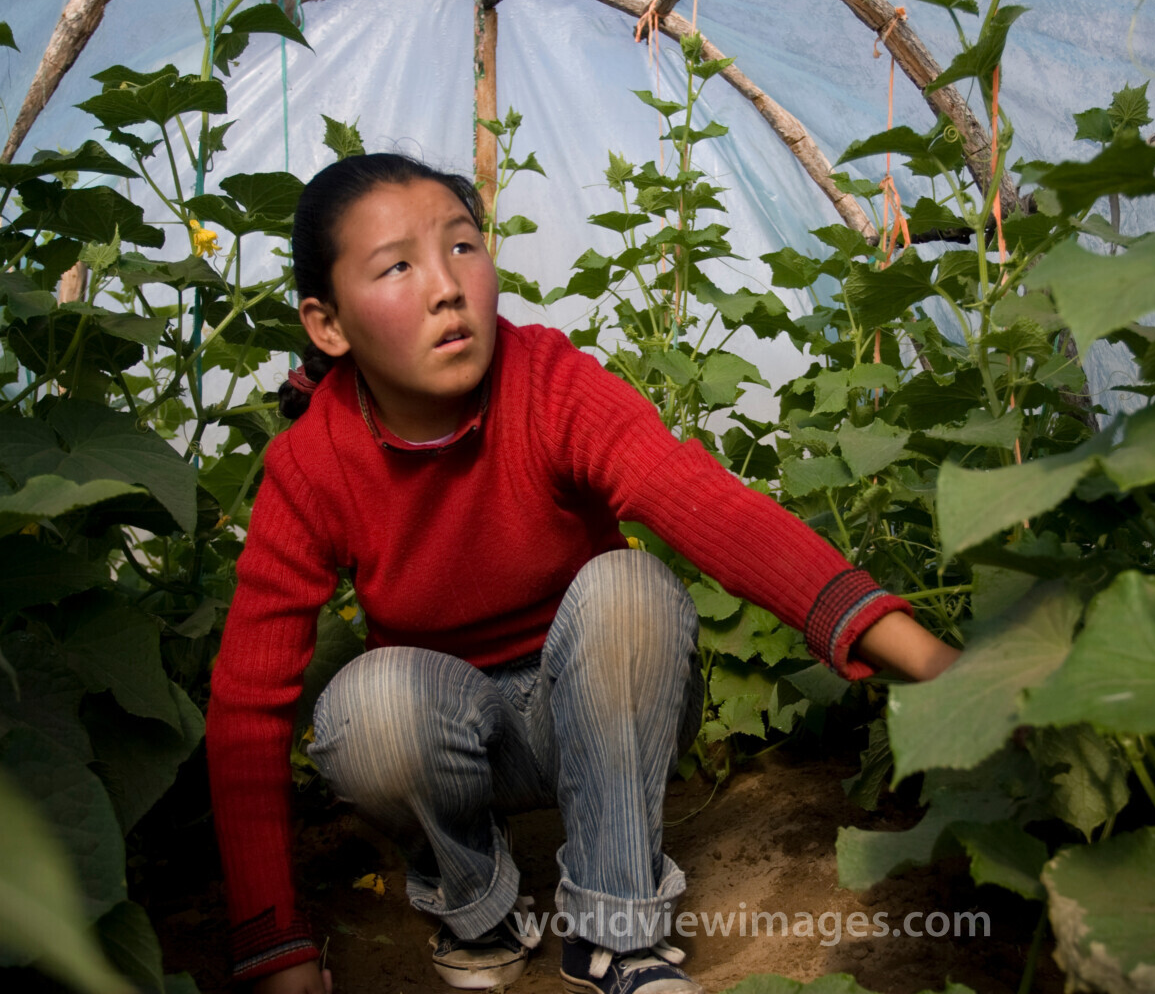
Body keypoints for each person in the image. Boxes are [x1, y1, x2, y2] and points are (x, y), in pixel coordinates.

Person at [205, 153, 960, 994]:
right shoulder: (313, 465)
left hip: (599, 711)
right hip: (453, 737)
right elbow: (246, 705)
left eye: (462, 247)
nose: (447, 288)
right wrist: (275, 948)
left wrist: (936, 666)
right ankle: (478, 912)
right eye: (398, 267)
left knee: (629, 590)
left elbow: (711, 508)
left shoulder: (546, 383)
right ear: (328, 324)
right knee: (364, 709)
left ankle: (617, 934)